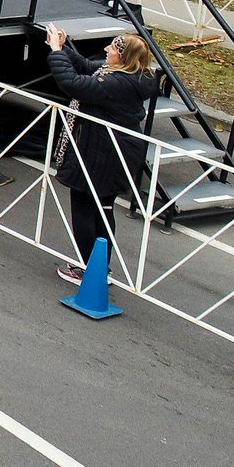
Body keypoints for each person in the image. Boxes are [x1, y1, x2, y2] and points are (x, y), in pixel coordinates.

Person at [44, 25, 159, 284]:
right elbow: (86, 66)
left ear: (123, 57)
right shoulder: (130, 74)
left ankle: (89, 270)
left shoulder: (116, 82)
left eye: (113, 48)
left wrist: (56, 52)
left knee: (84, 205)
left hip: (101, 152)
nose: (107, 49)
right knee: (104, 209)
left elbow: (73, 83)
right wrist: (62, 47)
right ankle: (99, 268)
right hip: (116, 152)